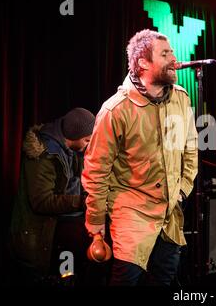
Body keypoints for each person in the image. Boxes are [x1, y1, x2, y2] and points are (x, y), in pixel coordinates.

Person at [82, 29, 198, 286]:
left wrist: (182, 190)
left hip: (169, 215)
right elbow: (96, 170)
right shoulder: (116, 109)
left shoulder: (180, 98)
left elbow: (190, 148)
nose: (174, 58)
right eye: (165, 53)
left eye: (172, 52)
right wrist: (96, 222)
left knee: (164, 280)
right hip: (132, 215)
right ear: (143, 63)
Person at [9, 107, 95, 285]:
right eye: (87, 140)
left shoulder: (72, 150)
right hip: (45, 235)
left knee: (69, 274)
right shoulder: (44, 155)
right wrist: (82, 201)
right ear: (74, 134)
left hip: (66, 231)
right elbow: (41, 202)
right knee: (59, 275)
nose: (89, 144)